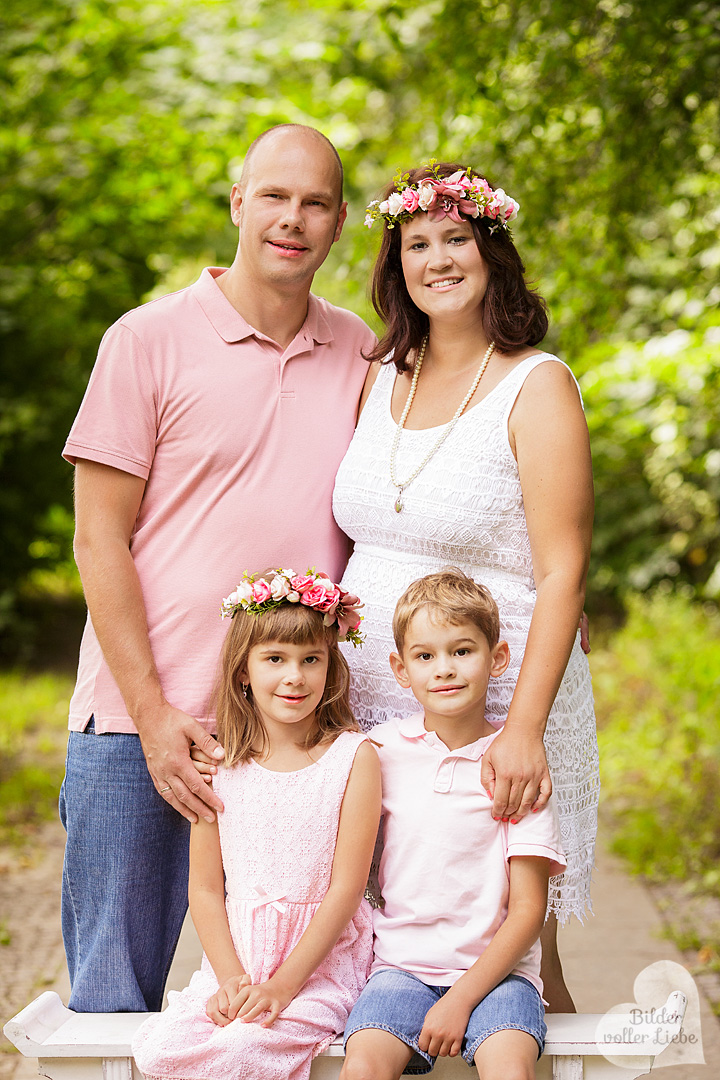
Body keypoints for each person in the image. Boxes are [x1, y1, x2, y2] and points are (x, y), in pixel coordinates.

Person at [59, 124, 377, 1012]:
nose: (293, 219)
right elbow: (98, 541)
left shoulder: (360, 350)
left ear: (340, 222)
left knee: (292, 1001)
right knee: (113, 1001)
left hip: (293, 737)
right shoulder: (145, 339)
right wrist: (155, 713)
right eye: (274, 195)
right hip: (137, 729)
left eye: (315, 203)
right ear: (239, 203)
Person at [332, 162, 599, 1011]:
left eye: (458, 238)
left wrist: (519, 731)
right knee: (393, 957)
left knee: (514, 957)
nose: (438, 259)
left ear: (492, 253)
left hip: (496, 702)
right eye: (418, 243)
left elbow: (563, 570)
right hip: (378, 706)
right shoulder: (382, 377)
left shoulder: (536, 383)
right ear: (396, 263)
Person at [132, 567, 381, 1080]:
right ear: (243, 671)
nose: (295, 676)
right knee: (159, 1051)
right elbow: (204, 889)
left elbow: (347, 888)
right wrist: (230, 979)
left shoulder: (353, 758)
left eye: (311, 660)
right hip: (237, 960)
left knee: (245, 1049)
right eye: (275, 659)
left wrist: (283, 986)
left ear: (331, 667)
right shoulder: (220, 767)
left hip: (318, 966)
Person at [340, 570, 565, 1080]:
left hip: (501, 976)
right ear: (400, 669)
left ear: (498, 658)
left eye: (462, 651)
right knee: (362, 1068)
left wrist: (461, 1000)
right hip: (400, 969)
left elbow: (529, 910)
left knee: (511, 1070)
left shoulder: (516, 766)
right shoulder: (379, 752)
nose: (444, 669)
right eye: (425, 656)